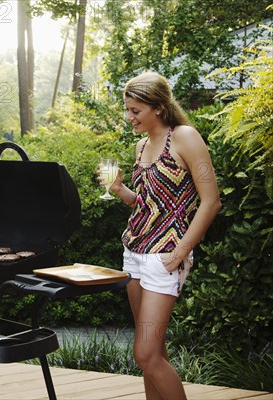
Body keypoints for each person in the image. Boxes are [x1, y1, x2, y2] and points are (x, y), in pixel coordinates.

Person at [102, 71, 221, 399]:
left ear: (157, 107)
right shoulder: (142, 145)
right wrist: (120, 189)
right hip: (135, 254)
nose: (129, 117)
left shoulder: (185, 137)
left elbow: (210, 201)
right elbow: (145, 204)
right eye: (127, 110)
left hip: (166, 256)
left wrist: (182, 251)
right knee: (152, 355)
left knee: (145, 353)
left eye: (135, 110)